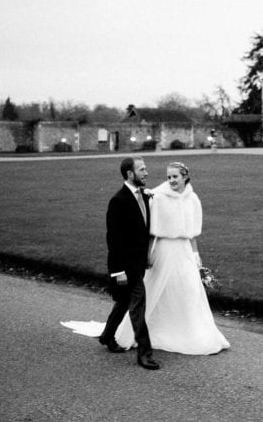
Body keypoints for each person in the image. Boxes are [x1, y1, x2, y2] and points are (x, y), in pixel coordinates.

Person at [114, 161, 229, 355]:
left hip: (184, 251)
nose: (172, 180)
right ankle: (143, 331)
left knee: (190, 290)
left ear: (185, 177)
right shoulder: (158, 197)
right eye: (169, 177)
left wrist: (196, 256)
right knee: (157, 289)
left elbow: (192, 234)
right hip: (164, 250)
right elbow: (152, 232)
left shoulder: (193, 199)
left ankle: (191, 333)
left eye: (175, 176)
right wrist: (148, 254)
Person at [98, 157, 159, 370]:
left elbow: (143, 232)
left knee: (124, 302)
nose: (146, 172)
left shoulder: (144, 196)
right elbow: (113, 239)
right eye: (141, 169)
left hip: (138, 263)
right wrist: (117, 271)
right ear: (130, 174)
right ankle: (145, 354)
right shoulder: (118, 201)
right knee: (138, 306)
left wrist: (147, 256)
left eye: (145, 168)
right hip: (125, 267)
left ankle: (107, 336)